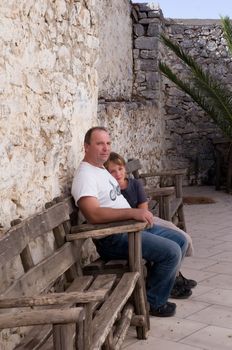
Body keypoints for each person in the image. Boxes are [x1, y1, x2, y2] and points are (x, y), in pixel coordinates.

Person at [72, 127, 189, 317]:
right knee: (171, 252)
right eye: (99, 143)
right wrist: (132, 212)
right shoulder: (85, 176)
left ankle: (155, 289)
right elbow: (93, 214)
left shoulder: (100, 169)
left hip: (130, 229)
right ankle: (154, 303)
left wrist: (136, 213)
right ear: (86, 147)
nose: (105, 148)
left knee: (181, 240)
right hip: (114, 237)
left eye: (108, 143)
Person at [104, 152, 197, 296]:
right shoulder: (110, 191)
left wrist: (137, 215)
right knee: (169, 247)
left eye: (120, 169)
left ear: (125, 169)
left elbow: (143, 210)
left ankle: (173, 277)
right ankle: (171, 282)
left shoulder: (134, 184)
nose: (117, 174)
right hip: (131, 228)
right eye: (112, 171)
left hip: (146, 220)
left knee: (181, 237)